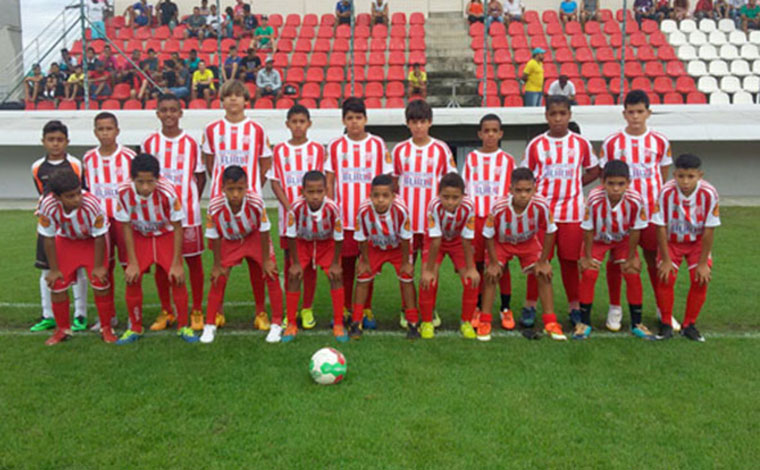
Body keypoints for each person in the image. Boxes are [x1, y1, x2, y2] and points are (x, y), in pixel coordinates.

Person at [521, 95, 600, 329]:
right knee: (538, 260)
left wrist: (576, 184)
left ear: (569, 115)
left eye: (562, 114)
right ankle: (530, 305)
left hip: (572, 213)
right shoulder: (536, 145)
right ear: (546, 116)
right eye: (553, 114)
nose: (558, 118)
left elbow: (594, 170)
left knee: (569, 261)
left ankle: (574, 306)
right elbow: (526, 176)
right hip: (542, 214)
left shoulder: (581, 143)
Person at [599, 90, 674, 331]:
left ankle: (664, 310)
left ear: (648, 113)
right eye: (630, 112)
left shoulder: (660, 141)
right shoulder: (612, 142)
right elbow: (606, 175)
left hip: (651, 213)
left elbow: (662, 174)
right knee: (617, 260)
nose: (635, 116)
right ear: (624, 114)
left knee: (654, 260)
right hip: (620, 216)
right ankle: (615, 308)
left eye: (640, 111)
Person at [202, 80, 273, 329]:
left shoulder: (257, 130)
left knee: (258, 263)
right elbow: (210, 163)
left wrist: (251, 187)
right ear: (221, 100)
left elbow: (265, 163)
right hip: (222, 206)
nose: (233, 100)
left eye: (237, 95)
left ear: (246, 100)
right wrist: (225, 191)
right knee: (221, 262)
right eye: (228, 96)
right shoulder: (211, 130)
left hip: (251, 205)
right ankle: (218, 311)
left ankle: (261, 312)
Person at [113, 153, 197, 345]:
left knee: (177, 278)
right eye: (140, 182)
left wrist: (177, 263)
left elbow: (177, 226)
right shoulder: (123, 192)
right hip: (140, 237)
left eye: (150, 182)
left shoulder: (168, 191)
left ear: (157, 179)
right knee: (132, 278)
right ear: (132, 178)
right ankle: (135, 327)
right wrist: (132, 262)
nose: (145, 187)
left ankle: (184, 325)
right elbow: (125, 226)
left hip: (165, 236)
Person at [141, 93, 207, 332]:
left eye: (173, 110)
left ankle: (197, 310)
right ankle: (167, 310)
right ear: (158, 113)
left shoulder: (191, 143)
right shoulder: (149, 143)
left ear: (181, 113)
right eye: (164, 110)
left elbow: (200, 176)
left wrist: (189, 202)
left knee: (193, 262)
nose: (169, 114)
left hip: (188, 214)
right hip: (158, 218)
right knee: (162, 265)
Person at [326, 98, 392, 330]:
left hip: (371, 220)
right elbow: (330, 180)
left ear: (365, 119)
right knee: (346, 265)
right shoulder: (335, 146)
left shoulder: (377, 144)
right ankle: (344, 306)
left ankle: (365, 307)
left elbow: (387, 179)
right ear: (344, 120)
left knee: (368, 265)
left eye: (358, 118)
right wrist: (331, 210)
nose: (354, 122)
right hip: (344, 219)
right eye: (350, 118)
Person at [392, 100, 456, 328]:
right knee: (406, 266)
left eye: (423, 122)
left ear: (430, 122)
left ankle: (429, 306)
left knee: (430, 269)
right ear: (408, 124)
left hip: (432, 224)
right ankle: (406, 307)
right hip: (407, 224)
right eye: (414, 122)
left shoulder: (441, 149)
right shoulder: (400, 150)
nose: (418, 126)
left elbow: (451, 183)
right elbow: (394, 184)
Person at [201, 166, 283, 344]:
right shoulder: (214, 206)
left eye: (240, 189)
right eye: (231, 189)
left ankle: (276, 322)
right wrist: (217, 264)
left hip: (254, 237)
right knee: (218, 277)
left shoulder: (255, 202)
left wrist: (266, 260)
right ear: (222, 188)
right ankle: (209, 324)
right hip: (230, 239)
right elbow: (214, 235)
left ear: (247, 187)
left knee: (271, 273)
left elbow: (264, 229)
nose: (236, 194)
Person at [479, 168, 563, 340]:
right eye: (518, 190)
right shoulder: (499, 206)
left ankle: (550, 322)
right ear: (510, 190)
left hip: (527, 242)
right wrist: (494, 263)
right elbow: (488, 235)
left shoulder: (541, 205)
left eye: (527, 190)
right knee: (491, 275)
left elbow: (550, 231)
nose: (523, 195)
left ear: (534, 189)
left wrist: (543, 260)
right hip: (502, 243)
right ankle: (485, 320)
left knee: (544, 274)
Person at [37, 169, 117, 345]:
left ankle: (106, 328)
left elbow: (100, 237)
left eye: (78, 193)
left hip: (92, 242)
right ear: (57, 197)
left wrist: (98, 266)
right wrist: (54, 269)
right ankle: (62, 329)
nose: (77, 199)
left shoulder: (93, 204)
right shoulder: (47, 205)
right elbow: (48, 238)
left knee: (99, 281)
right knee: (56, 283)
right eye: (70, 196)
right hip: (67, 241)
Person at [577, 161, 653, 340]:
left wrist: (632, 256)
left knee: (632, 272)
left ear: (628, 182)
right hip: (598, 239)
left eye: (621, 184)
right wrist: (587, 257)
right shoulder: (594, 199)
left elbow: (636, 229)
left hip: (623, 240)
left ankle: (637, 323)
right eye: (611, 183)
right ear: (602, 182)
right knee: (589, 273)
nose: (616, 188)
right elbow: (587, 229)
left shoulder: (635, 199)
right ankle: (584, 323)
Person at [267, 105, 325, 331]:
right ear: (287, 125)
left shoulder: (318, 150)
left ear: (309, 124)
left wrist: (312, 208)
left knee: (309, 265)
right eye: (294, 122)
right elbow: (275, 181)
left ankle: (307, 308)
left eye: (302, 121)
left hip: (312, 220)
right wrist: (290, 207)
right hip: (289, 219)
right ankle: (289, 309)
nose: (298, 125)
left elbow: (323, 182)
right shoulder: (279, 150)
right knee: (291, 264)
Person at [654, 154, 720, 342]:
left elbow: (709, 229)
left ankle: (689, 325)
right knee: (665, 277)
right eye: (681, 176)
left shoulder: (709, 193)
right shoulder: (665, 192)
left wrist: (702, 263)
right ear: (674, 174)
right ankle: (666, 323)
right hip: (672, 242)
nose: (685, 181)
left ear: (700, 175)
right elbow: (660, 226)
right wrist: (665, 260)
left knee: (701, 279)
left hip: (697, 243)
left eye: (690, 177)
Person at [29, 121, 87, 333]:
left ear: (67, 142)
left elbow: (80, 192)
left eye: (60, 140)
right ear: (43, 142)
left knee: (78, 269)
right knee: (46, 270)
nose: (55, 144)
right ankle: (48, 315)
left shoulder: (75, 164)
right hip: (49, 226)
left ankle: (80, 314)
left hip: (73, 226)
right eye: (51, 140)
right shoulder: (37, 167)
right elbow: (43, 195)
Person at [81, 112, 136, 330]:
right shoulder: (88, 158)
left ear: (117, 131)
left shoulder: (129, 157)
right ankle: (108, 316)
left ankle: (133, 314)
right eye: (101, 129)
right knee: (103, 268)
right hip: (99, 224)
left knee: (129, 266)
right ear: (95, 132)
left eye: (109, 128)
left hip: (123, 222)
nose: (105, 133)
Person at [462, 114, 516, 332]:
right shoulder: (471, 159)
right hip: (477, 218)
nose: (491, 134)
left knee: (501, 264)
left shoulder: (508, 160)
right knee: (478, 265)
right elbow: (466, 190)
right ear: (480, 134)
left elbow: (513, 192)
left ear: (501, 134)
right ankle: (477, 306)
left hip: (500, 220)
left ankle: (505, 307)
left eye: (495, 130)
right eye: (486, 130)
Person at [349, 174, 419, 340]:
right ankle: (356, 321)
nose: (380, 200)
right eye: (376, 195)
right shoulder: (363, 210)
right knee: (363, 277)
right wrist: (364, 261)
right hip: (374, 247)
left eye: (385, 196)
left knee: (406, 278)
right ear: (370, 195)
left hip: (397, 248)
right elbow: (362, 237)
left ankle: (413, 322)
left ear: (393, 196)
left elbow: (405, 237)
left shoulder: (401, 209)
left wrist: (405, 262)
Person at [283, 171, 346, 343]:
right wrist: (295, 262)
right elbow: (291, 235)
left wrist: (335, 263)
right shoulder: (295, 207)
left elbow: (339, 236)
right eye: (311, 192)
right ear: (302, 192)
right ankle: (290, 323)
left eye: (319, 191)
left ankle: (339, 324)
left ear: (326, 190)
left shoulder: (332, 207)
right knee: (294, 276)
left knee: (335, 276)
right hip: (303, 243)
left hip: (327, 244)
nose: (315, 196)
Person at [418, 173, 480, 339]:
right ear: (439, 195)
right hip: (435, 241)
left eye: (455, 197)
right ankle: (427, 322)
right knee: (428, 280)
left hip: (458, 242)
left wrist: (471, 268)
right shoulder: (434, 206)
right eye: (446, 197)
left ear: (463, 195)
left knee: (471, 279)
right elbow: (436, 240)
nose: (450, 202)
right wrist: (429, 270)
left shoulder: (469, 206)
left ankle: (466, 322)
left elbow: (467, 239)